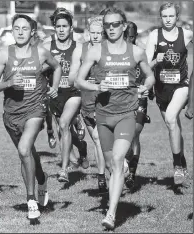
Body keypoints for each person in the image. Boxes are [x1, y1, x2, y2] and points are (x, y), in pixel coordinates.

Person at [74, 7, 155, 230]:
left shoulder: (136, 52)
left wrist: (145, 87)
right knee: (111, 164)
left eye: (115, 24)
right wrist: (96, 86)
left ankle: (111, 214)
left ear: (123, 25)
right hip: (103, 116)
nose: (111, 28)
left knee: (118, 160)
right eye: (107, 25)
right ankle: (122, 171)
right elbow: (79, 81)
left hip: (126, 114)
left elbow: (149, 76)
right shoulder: (95, 52)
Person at [0, 14, 61, 219]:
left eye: (24, 29)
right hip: (11, 112)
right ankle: (41, 177)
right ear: (12, 31)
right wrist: (9, 83)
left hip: (35, 109)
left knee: (23, 149)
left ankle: (31, 200)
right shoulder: (4, 53)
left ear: (32, 32)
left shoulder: (40, 52)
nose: (20, 32)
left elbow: (56, 67)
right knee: (27, 152)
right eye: (16, 28)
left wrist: (54, 87)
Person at [145, 2, 193, 186]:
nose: (168, 20)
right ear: (160, 17)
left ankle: (177, 167)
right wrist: (155, 60)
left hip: (181, 85)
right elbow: (146, 65)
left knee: (172, 118)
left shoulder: (186, 34)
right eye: (165, 16)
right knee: (173, 126)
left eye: (171, 16)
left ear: (177, 17)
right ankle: (183, 162)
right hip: (161, 89)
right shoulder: (154, 35)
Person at [42, 8, 87, 183]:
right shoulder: (47, 46)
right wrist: (53, 64)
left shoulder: (79, 47)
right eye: (58, 26)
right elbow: (37, 70)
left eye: (65, 26)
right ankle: (81, 148)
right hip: (54, 94)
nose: (61, 30)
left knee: (63, 123)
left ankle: (63, 170)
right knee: (63, 129)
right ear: (54, 27)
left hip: (73, 93)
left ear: (71, 28)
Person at [69, 15, 109, 194]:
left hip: (108, 103)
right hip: (88, 104)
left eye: (99, 33)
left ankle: (104, 175)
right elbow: (71, 79)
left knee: (103, 140)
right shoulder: (80, 50)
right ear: (87, 33)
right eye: (92, 32)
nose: (95, 36)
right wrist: (80, 75)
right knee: (99, 140)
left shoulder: (110, 51)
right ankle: (103, 176)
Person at [123, 21, 153, 189]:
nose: (129, 39)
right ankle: (126, 161)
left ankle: (132, 171)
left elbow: (148, 74)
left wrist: (148, 88)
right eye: (126, 36)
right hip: (121, 99)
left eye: (132, 36)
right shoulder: (115, 51)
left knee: (134, 133)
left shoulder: (140, 52)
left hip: (139, 98)